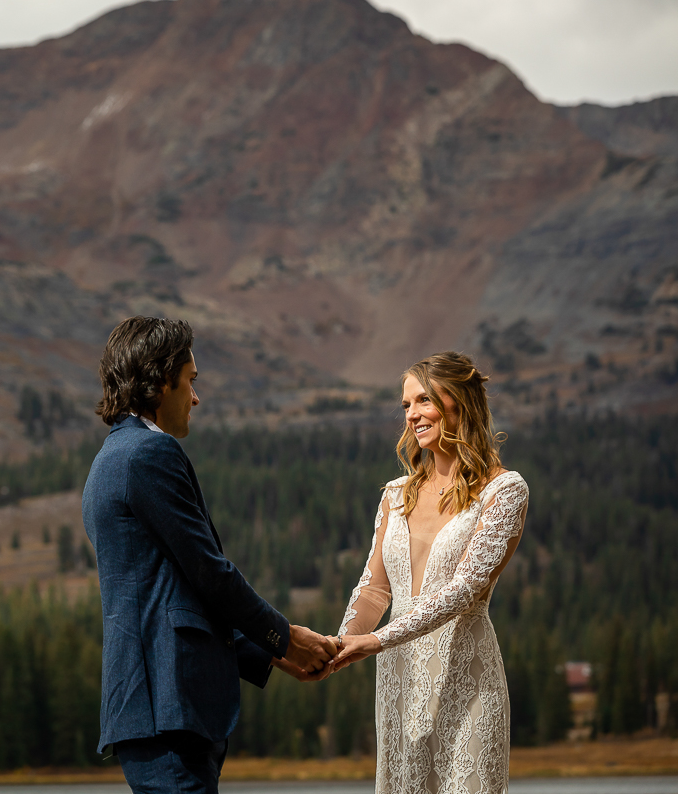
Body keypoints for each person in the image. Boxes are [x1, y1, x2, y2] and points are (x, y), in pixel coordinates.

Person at [82, 316, 336, 794]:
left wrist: (269, 655)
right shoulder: (148, 456)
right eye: (191, 382)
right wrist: (285, 637)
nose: (196, 398)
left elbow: (172, 596)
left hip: (152, 710)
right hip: (168, 708)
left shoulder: (110, 459)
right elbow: (209, 574)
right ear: (161, 382)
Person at [330, 351, 530, 793]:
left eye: (423, 401)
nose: (412, 415)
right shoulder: (395, 495)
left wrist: (376, 639)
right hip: (398, 683)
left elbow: (461, 592)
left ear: (460, 401)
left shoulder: (505, 490)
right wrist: (342, 642)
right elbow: (375, 588)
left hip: (469, 683)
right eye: (405, 405)